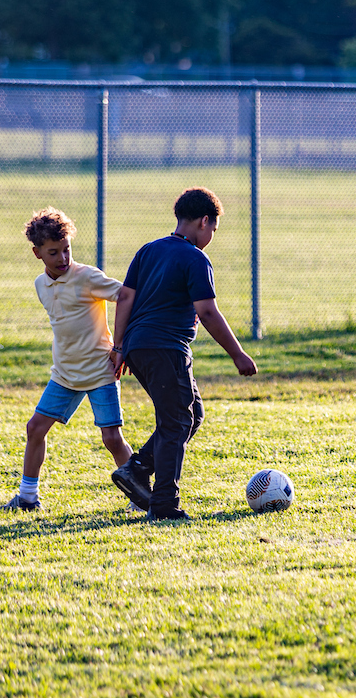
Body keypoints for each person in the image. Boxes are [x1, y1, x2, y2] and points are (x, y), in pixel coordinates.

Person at [110, 187, 257, 522]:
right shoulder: (195, 258)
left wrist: (120, 348)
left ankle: (137, 467)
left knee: (191, 415)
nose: (211, 237)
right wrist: (238, 355)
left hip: (138, 347)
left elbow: (126, 298)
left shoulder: (148, 250)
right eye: (214, 231)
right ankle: (164, 505)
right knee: (176, 422)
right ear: (204, 221)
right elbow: (207, 312)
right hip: (166, 348)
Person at [3, 207, 135, 511]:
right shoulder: (40, 285)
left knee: (112, 439)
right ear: (37, 253)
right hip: (64, 375)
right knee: (35, 428)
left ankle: (141, 497)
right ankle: (27, 498)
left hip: (101, 372)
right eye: (53, 252)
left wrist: (121, 346)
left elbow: (128, 296)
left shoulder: (87, 276)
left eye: (67, 250)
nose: (63, 258)